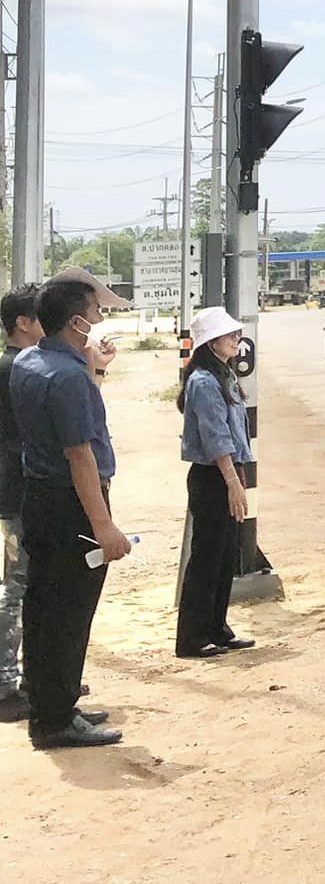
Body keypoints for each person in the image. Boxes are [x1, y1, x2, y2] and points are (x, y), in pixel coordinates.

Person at [10, 271, 129, 749]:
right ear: (76, 322)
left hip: (40, 498)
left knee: (43, 608)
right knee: (69, 612)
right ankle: (56, 720)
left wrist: (91, 366)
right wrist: (104, 526)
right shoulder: (66, 378)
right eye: (95, 314)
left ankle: (49, 702)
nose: (99, 321)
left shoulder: (30, 362)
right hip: (72, 504)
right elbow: (80, 455)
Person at [175, 307, 255, 660]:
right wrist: (232, 483)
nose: (236, 340)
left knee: (224, 555)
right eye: (229, 336)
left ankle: (216, 628)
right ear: (211, 343)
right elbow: (216, 437)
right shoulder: (205, 382)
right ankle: (192, 637)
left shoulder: (222, 376)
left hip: (227, 471)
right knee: (208, 556)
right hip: (213, 475)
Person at [0, 284, 41, 723]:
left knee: (31, 585)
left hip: (22, 493)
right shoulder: (14, 369)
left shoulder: (21, 366)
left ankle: (37, 673)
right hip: (21, 495)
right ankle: (5, 684)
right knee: (16, 588)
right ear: (22, 323)